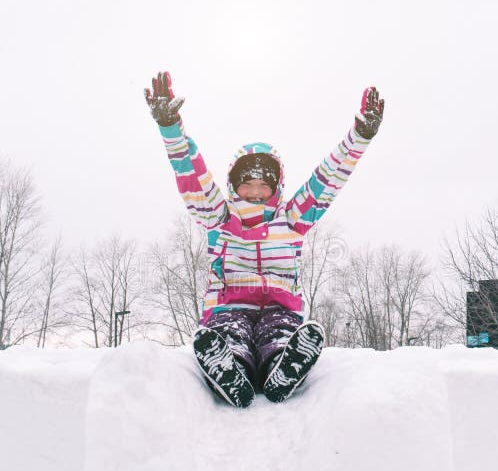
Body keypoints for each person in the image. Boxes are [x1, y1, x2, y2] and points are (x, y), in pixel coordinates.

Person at [145, 71, 384, 407]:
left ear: (276, 188)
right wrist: (171, 128)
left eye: (263, 186)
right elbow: (192, 175)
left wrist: (359, 137)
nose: (255, 192)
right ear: (233, 187)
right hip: (229, 307)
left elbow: (327, 179)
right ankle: (230, 369)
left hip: (279, 307)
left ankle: (282, 367)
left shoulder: (292, 218)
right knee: (231, 332)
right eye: (247, 185)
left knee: (279, 332)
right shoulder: (220, 217)